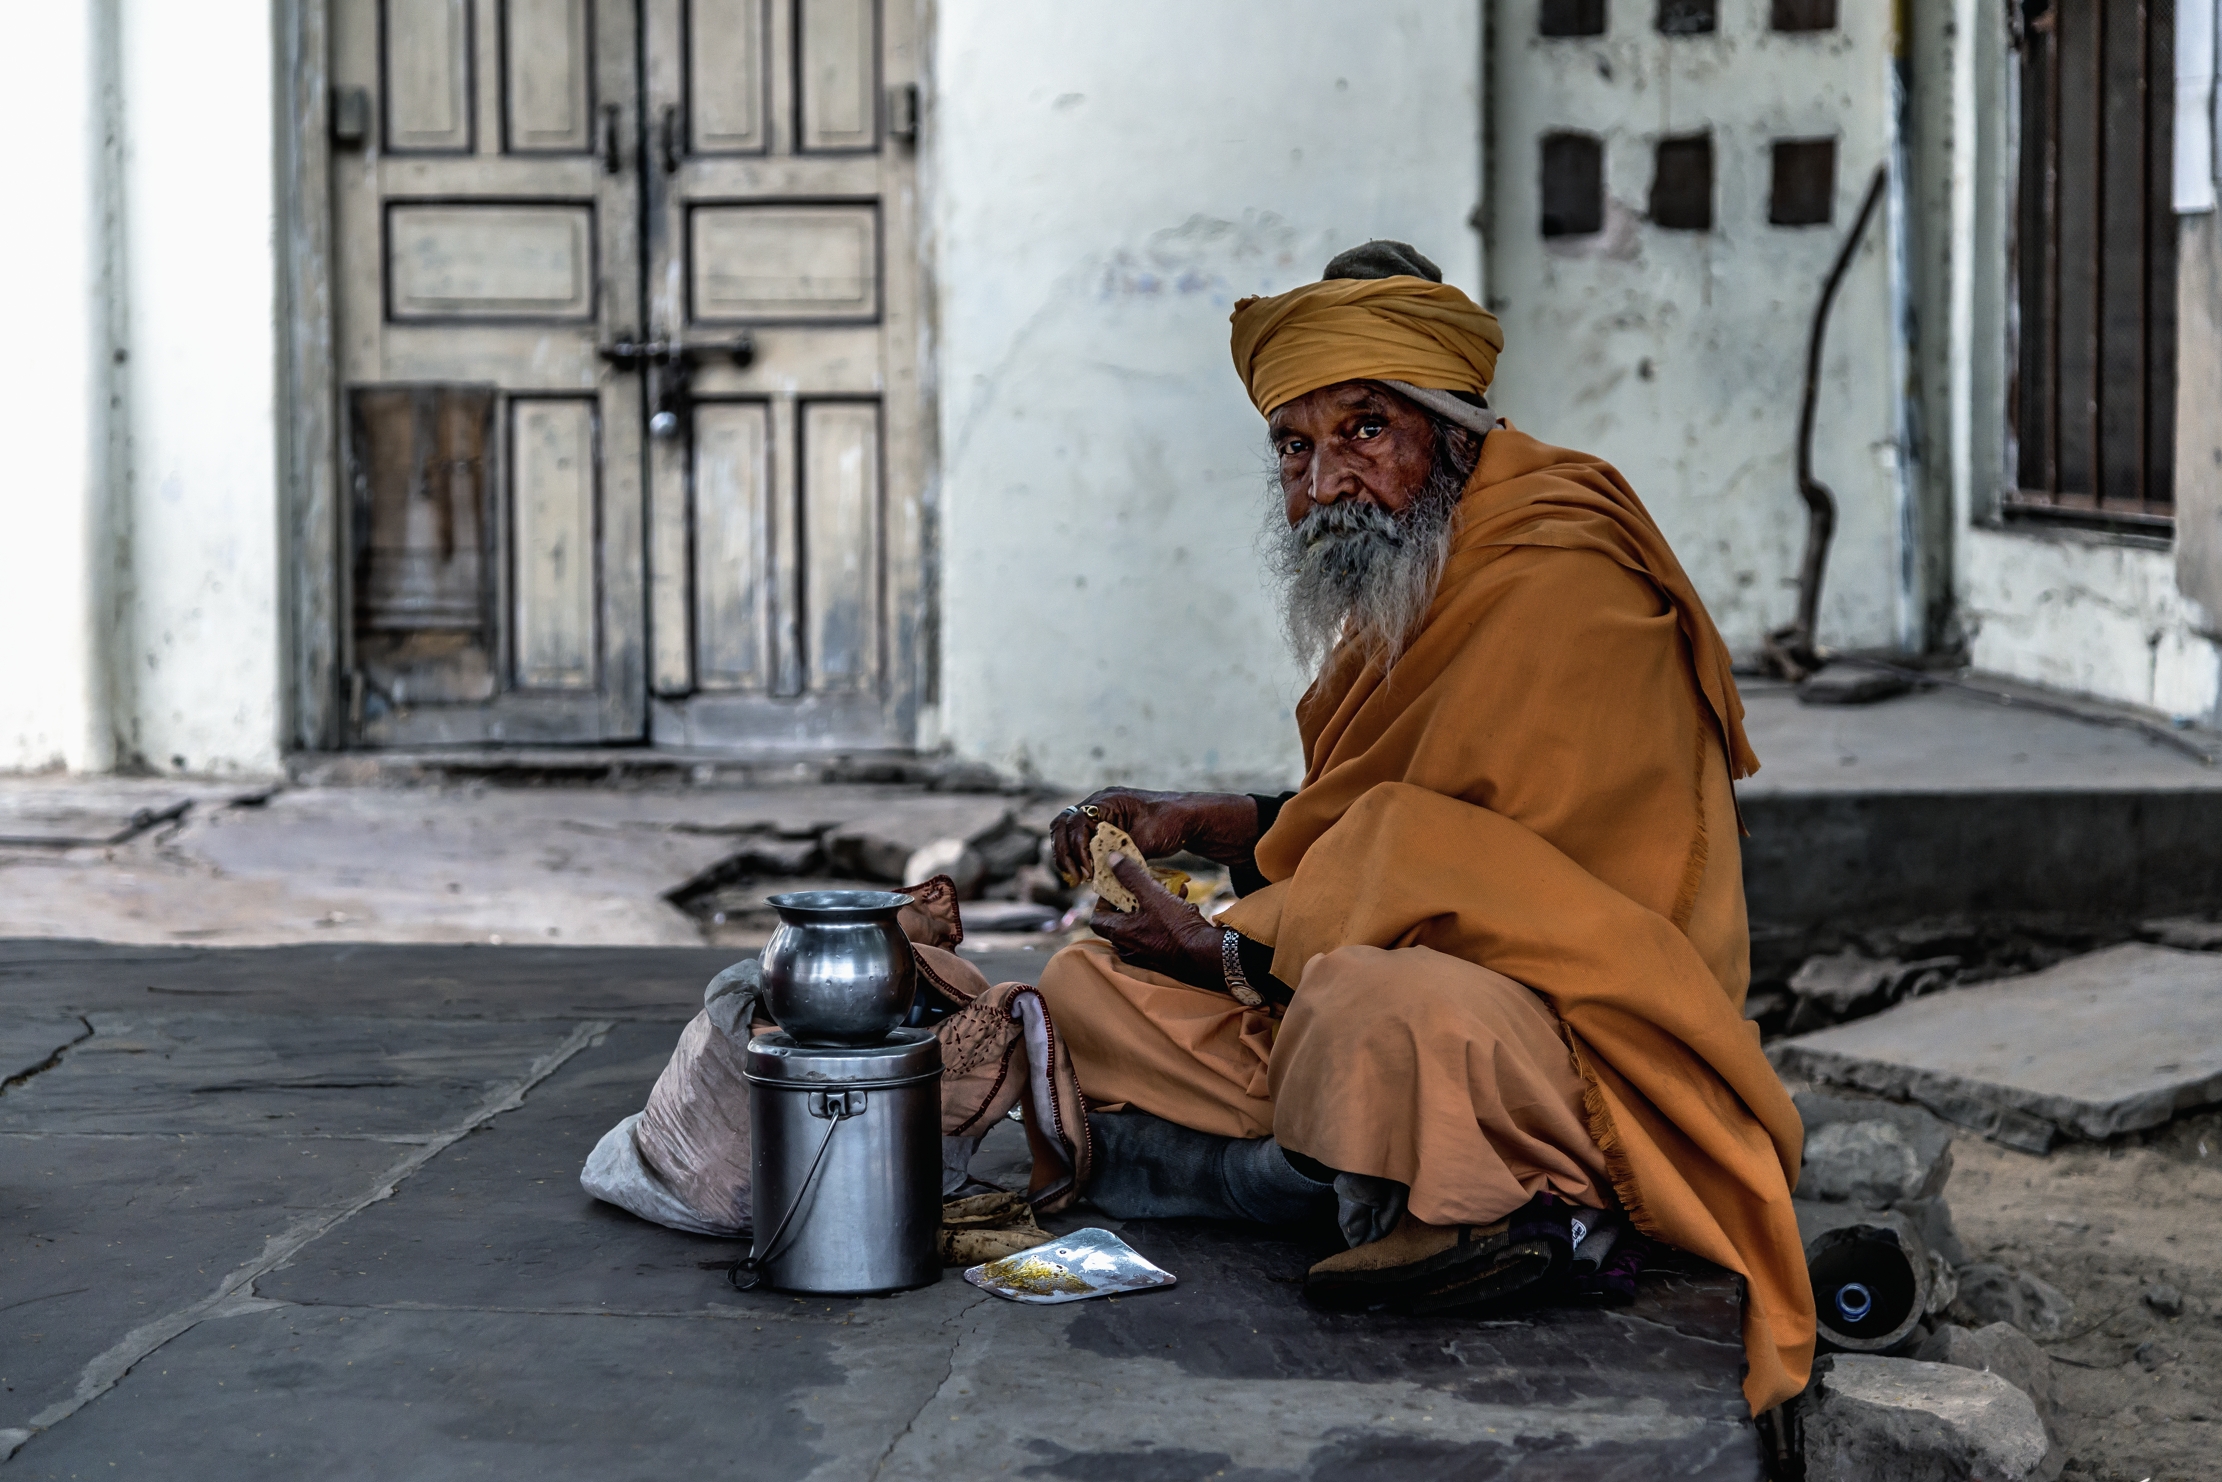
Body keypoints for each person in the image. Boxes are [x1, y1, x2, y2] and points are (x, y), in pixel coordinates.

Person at [1032, 240, 1814, 1416]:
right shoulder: (1420, 569)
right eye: (1294, 447)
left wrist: (1236, 950)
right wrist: (1208, 822)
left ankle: (1327, 1179)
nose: (1326, 481)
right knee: (1085, 984)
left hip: (1573, 1028)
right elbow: (1368, 820)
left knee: (1371, 1005)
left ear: (1450, 431)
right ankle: (1361, 1183)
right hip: (1377, 969)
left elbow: (1475, 862)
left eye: (1363, 432)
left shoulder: (1562, 570)